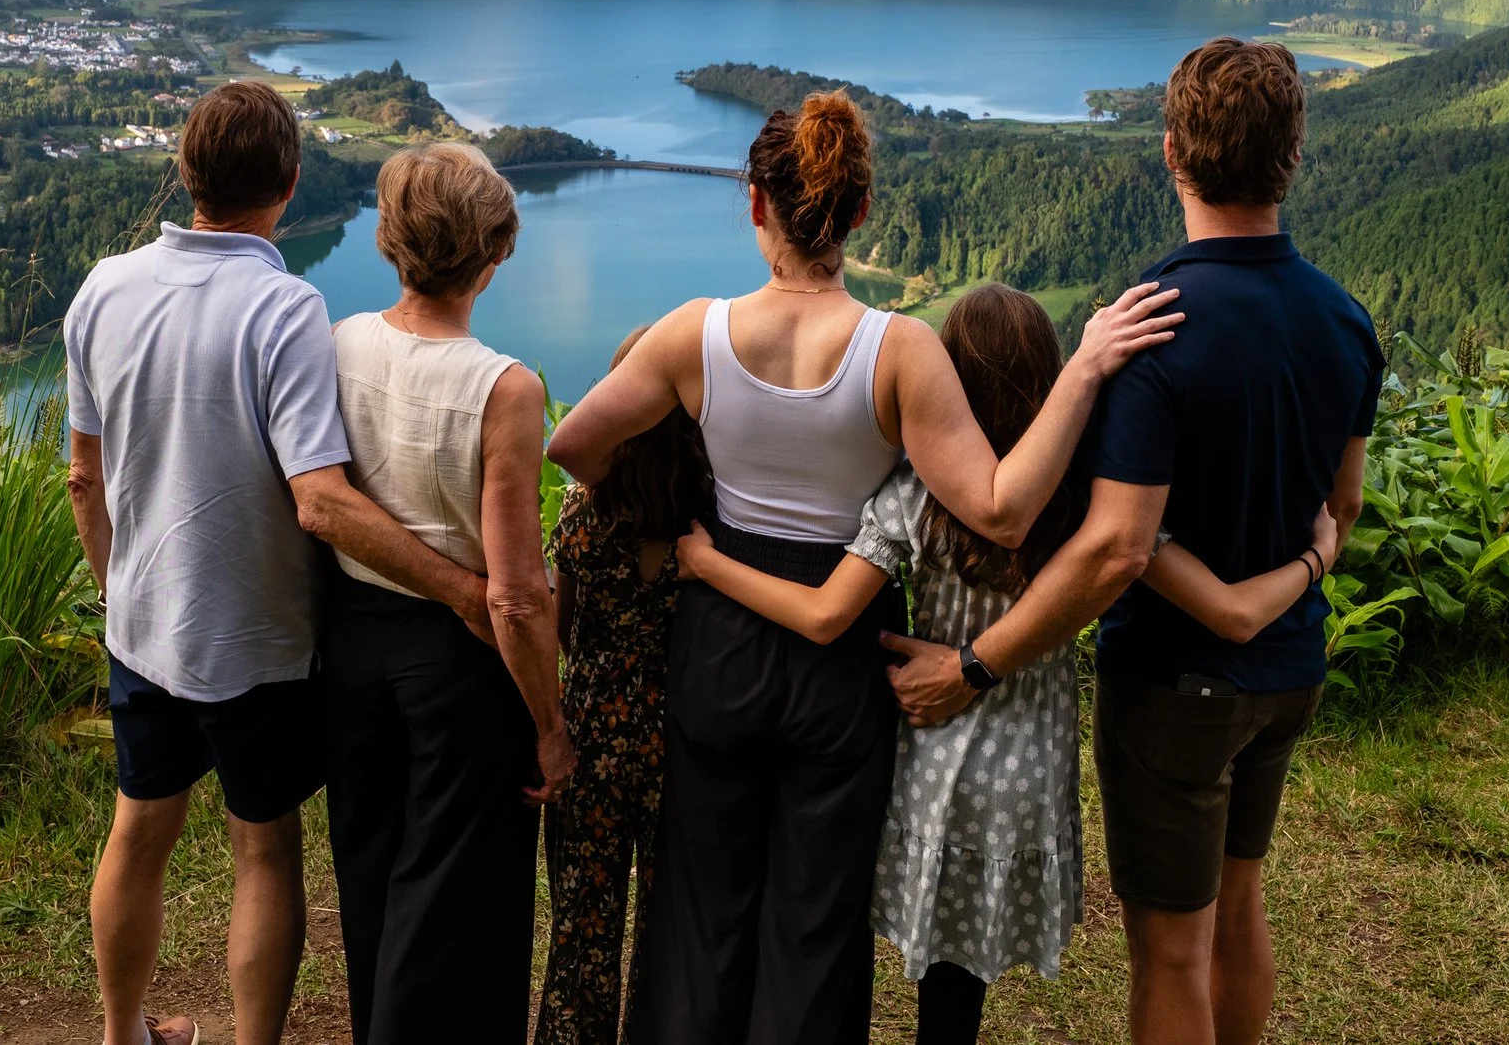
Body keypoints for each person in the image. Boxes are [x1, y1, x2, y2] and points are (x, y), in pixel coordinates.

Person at [546, 91, 1183, 1045]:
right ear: (859, 211)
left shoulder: (693, 333)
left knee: (700, 912)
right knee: (815, 924)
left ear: (755, 203)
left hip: (717, 638)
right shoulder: (900, 349)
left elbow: (574, 446)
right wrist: (1084, 369)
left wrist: (688, 524)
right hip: (840, 655)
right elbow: (1001, 507)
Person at [883, 38, 1385, 1045]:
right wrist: (1299, 571)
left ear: (1170, 152)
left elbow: (1116, 546)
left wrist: (976, 664)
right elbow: (1342, 505)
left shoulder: (1153, 326)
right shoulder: (1346, 322)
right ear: (1293, 155)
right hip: (1290, 667)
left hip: (1176, 688)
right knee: (1240, 908)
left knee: (1170, 949)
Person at [675, 285, 1337, 1045]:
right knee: (966, 983)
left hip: (935, 768)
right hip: (1028, 772)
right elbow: (1231, 613)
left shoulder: (915, 495)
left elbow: (825, 614)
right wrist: (1317, 556)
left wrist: (707, 561)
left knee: (935, 989)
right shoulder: (1089, 503)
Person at [67, 80, 477, 1045]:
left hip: (143, 625)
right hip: (257, 638)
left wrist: (119, 589)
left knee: (138, 831)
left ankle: (122, 1034)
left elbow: (84, 477)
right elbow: (320, 499)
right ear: (289, 186)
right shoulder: (286, 307)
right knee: (264, 849)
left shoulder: (104, 287)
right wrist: (464, 589)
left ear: (186, 173)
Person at [318, 142, 576, 1045]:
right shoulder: (504, 388)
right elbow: (515, 596)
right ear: (493, 255)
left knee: (372, 880)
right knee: (456, 913)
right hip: (459, 669)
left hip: (351, 644)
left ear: (390, 241)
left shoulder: (339, 341)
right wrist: (549, 725)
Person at [533, 325, 714, 1045]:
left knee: (581, 929)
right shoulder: (709, 519)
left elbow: (562, 627)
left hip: (590, 738)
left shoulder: (584, 509)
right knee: (669, 929)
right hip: (680, 740)